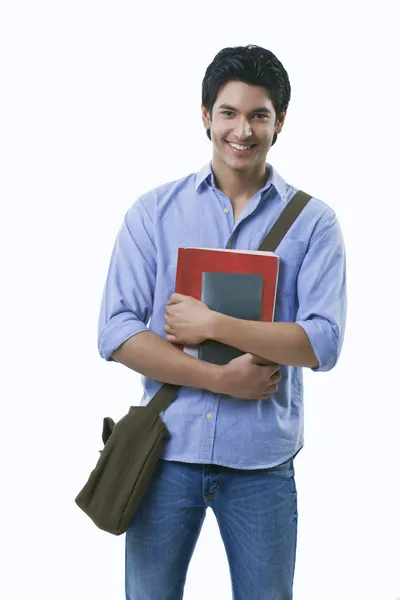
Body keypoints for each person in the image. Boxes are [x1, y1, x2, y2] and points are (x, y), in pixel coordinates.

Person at [98, 44, 347, 600]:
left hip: (262, 463)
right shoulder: (153, 213)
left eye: (259, 114)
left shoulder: (314, 224)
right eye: (229, 113)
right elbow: (115, 331)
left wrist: (211, 322)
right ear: (206, 115)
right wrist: (219, 378)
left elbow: (323, 342)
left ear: (279, 122)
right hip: (164, 458)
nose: (243, 130)